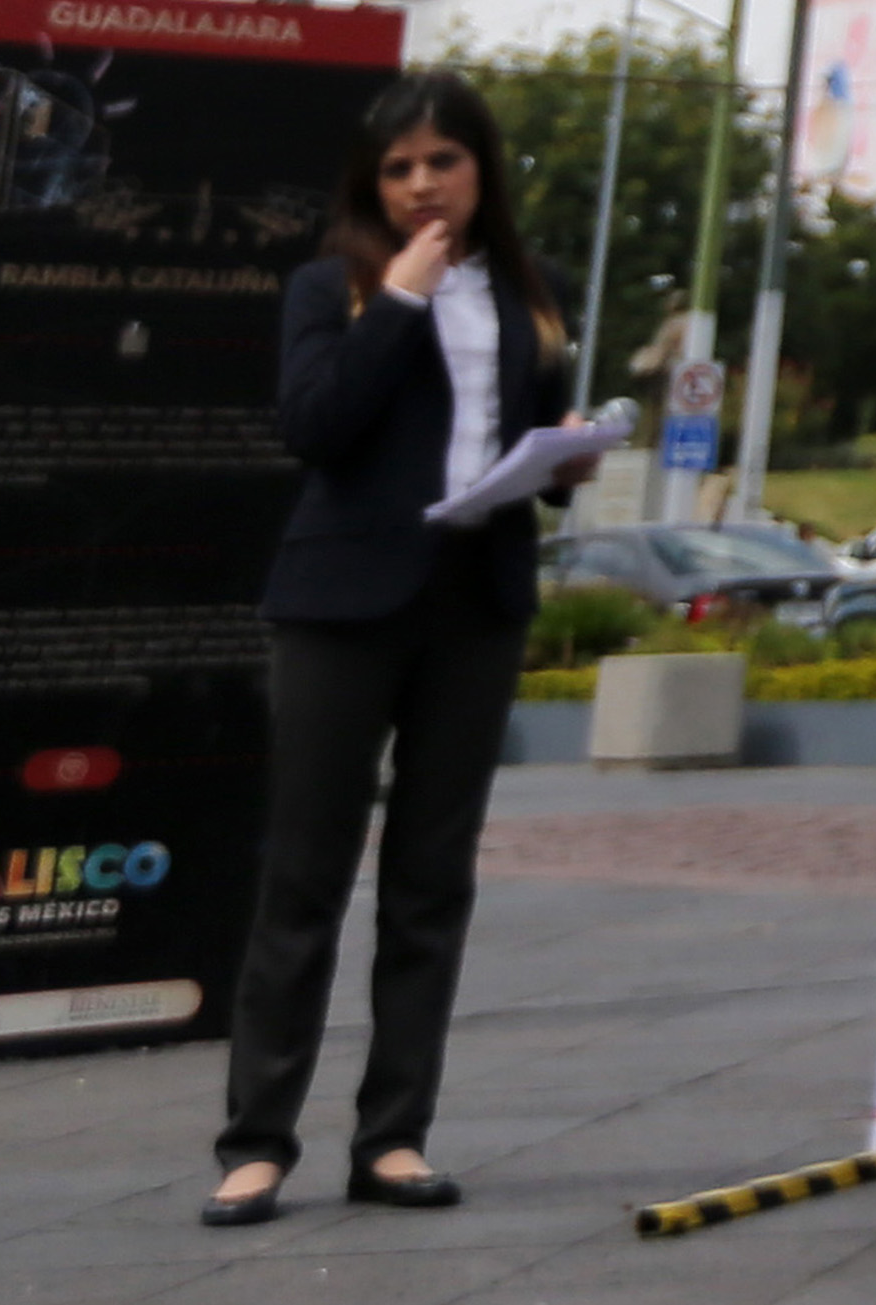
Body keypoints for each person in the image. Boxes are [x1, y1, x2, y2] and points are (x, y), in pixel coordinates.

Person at [211, 69, 586, 1226]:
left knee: (432, 879)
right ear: (372, 184)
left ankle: (394, 1137)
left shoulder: (538, 291)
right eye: (399, 167)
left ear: (482, 170)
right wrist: (403, 305)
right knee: (307, 874)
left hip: (476, 601)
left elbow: (532, 447)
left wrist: (568, 458)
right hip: (341, 603)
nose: (423, 184)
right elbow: (315, 426)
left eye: (444, 161)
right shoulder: (333, 287)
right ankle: (256, 1141)